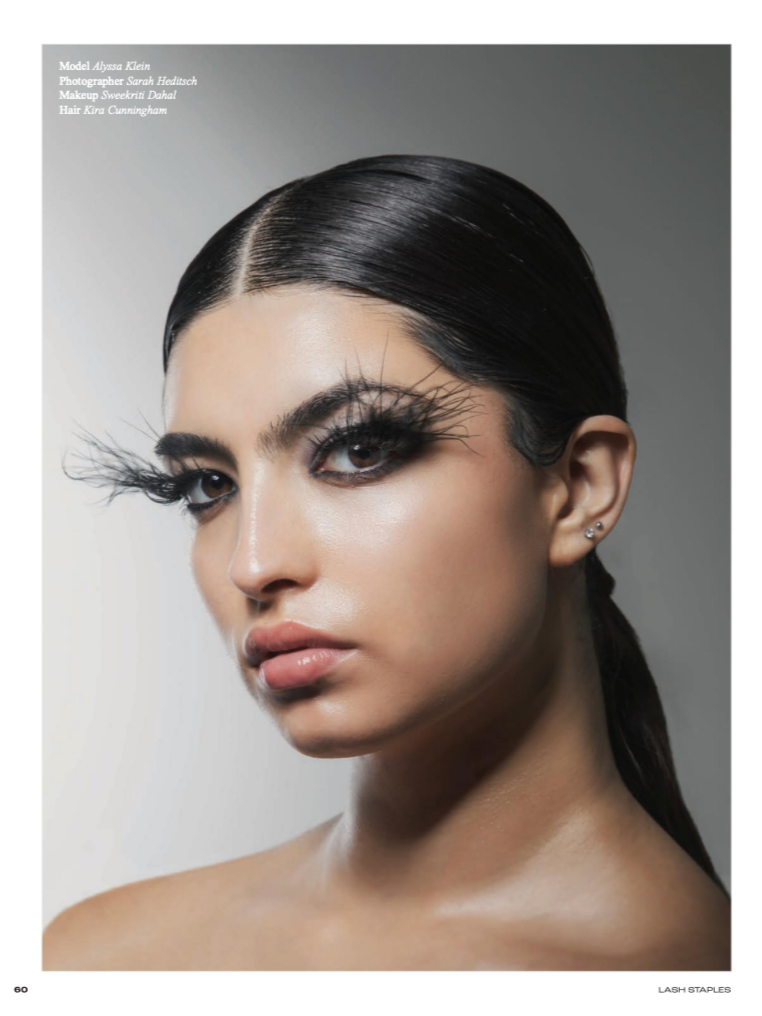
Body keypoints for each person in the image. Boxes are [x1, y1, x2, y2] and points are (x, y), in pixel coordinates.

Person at [44, 154, 730, 971]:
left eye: (360, 450)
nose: (254, 563)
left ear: (580, 487)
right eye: (208, 486)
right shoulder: (95, 957)